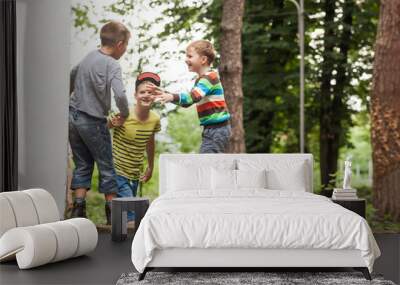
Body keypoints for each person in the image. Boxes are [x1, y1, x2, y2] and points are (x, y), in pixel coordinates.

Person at [69, 21, 130, 224]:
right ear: (120, 44)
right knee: (106, 167)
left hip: (73, 117)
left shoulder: (89, 57)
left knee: (83, 164)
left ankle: (78, 211)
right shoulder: (112, 64)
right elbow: (120, 94)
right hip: (93, 121)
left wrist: (70, 96)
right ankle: (112, 218)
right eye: (126, 45)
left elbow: (71, 74)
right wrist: (125, 113)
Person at [147, 40, 231, 153]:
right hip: (212, 129)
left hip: (217, 129)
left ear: (203, 60)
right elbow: (187, 102)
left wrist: (171, 96)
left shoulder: (209, 77)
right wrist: (166, 94)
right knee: (209, 162)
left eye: (190, 56)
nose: (186, 59)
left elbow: (193, 97)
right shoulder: (202, 80)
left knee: (207, 162)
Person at [108, 72, 161, 221]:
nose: (146, 95)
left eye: (150, 92)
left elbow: (150, 143)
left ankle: (118, 231)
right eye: (142, 92)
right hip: (117, 170)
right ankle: (131, 242)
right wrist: (111, 124)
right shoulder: (125, 114)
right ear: (135, 95)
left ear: (156, 96)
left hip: (134, 173)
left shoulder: (155, 119)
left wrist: (150, 167)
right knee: (131, 212)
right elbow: (103, 128)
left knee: (126, 212)